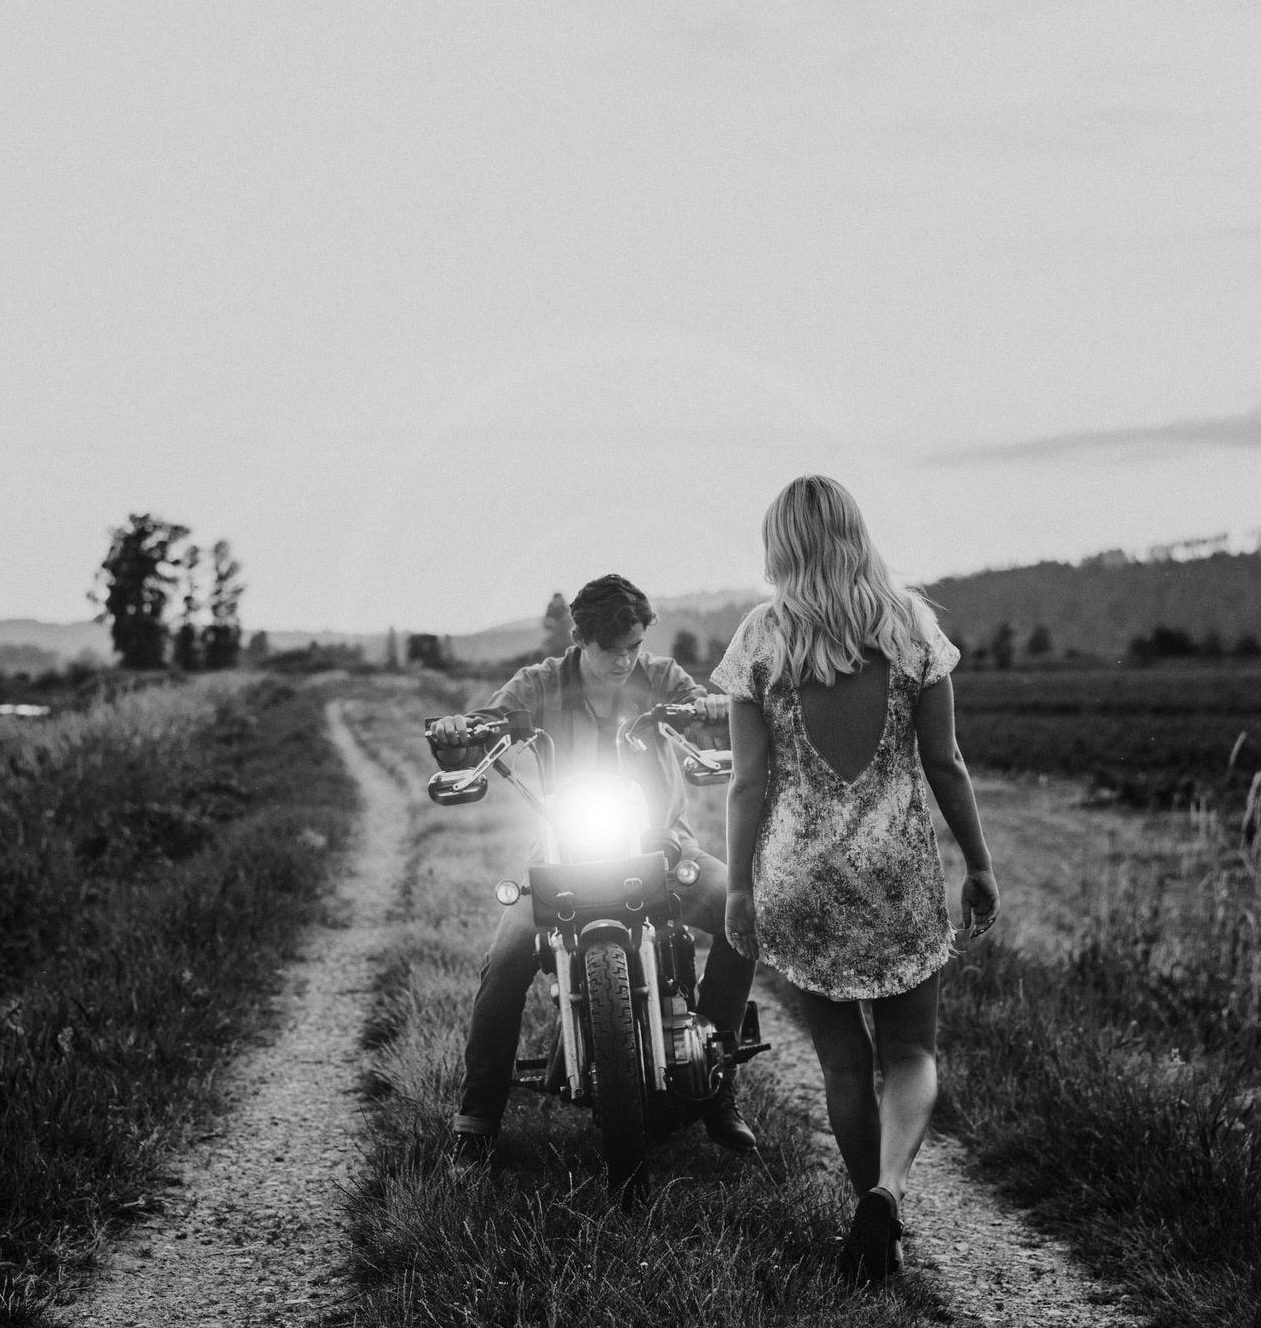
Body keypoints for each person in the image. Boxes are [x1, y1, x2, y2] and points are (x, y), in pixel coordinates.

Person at [713, 476, 1000, 1283]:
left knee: (842, 1063)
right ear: (855, 533)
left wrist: (739, 888)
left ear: (780, 546)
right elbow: (944, 763)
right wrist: (977, 863)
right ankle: (888, 1192)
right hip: (896, 872)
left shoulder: (762, 637)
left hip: (796, 875)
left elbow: (746, 783)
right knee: (910, 1050)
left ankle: (868, 1223)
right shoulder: (909, 626)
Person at [428, 573, 759, 1168]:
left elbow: (723, 719)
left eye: (634, 646)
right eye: (612, 649)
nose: (624, 661)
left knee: (745, 914)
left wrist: (715, 709)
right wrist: (457, 737)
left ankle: (716, 1081)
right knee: (504, 961)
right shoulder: (539, 685)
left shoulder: (660, 679)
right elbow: (477, 738)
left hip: (662, 848)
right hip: (562, 856)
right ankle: (476, 1123)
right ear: (580, 639)